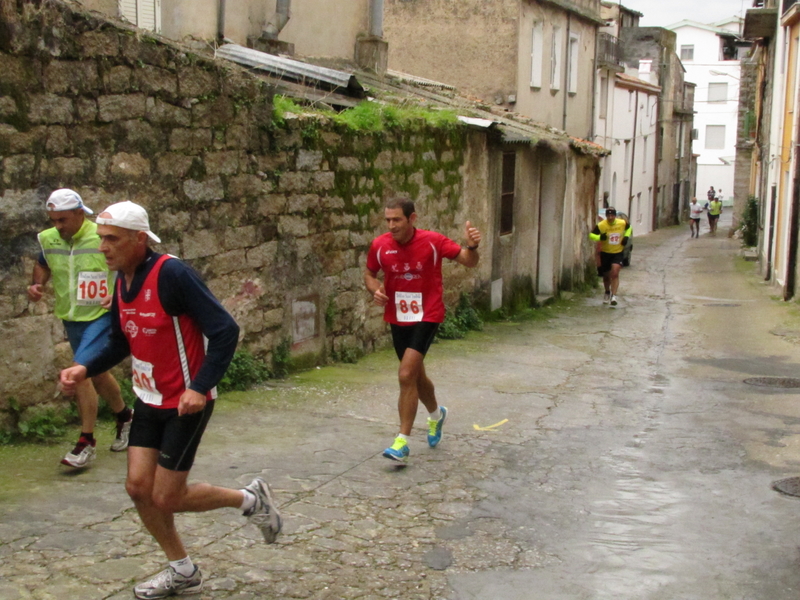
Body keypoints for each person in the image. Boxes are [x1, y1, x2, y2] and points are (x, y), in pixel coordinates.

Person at [59, 201, 281, 599]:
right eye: (101, 239)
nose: (103, 247)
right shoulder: (121, 279)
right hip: (148, 397)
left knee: (167, 496)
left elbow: (226, 330)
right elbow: (119, 340)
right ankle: (184, 571)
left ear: (139, 239)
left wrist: (199, 386)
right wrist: (84, 368)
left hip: (185, 402)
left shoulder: (172, 274)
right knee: (137, 487)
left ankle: (250, 500)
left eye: (112, 239)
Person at [364, 198, 481, 463]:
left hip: (427, 314)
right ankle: (437, 415)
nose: (391, 226)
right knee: (415, 377)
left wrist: (472, 246)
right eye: (388, 220)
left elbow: (468, 261)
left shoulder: (433, 241)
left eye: (397, 220)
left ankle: (402, 442)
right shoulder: (380, 245)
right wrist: (375, 290)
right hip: (398, 316)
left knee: (405, 374)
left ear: (412, 219)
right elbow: (369, 273)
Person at [27, 189, 132, 468]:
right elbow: (42, 263)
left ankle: (85, 442)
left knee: (79, 371)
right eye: (53, 220)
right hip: (72, 316)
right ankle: (124, 416)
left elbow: (128, 263)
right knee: (95, 373)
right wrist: (38, 284)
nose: (57, 226)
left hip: (101, 313)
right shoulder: (50, 239)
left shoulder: (102, 235)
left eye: (62, 220)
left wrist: (119, 294)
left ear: (79, 213)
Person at [590, 206, 631, 307]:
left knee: (615, 272)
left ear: (615, 215)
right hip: (606, 252)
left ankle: (614, 296)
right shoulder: (601, 225)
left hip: (618, 252)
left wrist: (626, 236)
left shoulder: (621, 223)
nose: (610, 217)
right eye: (608, 215)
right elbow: (591, 235)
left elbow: (629, 228)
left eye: (612, 215)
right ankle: (607, 291)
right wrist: (600, 237)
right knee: (606, 275)